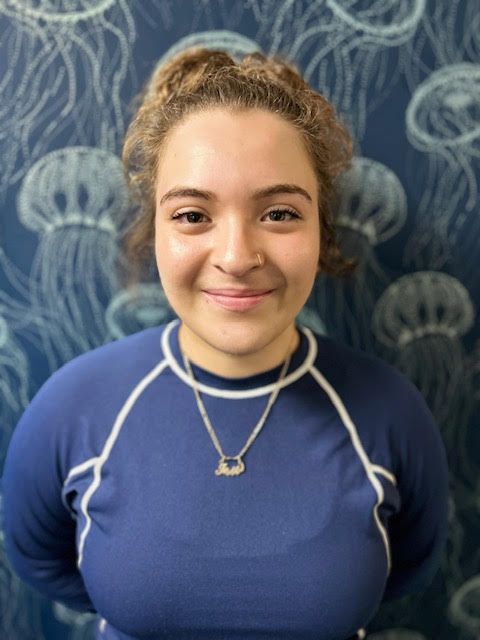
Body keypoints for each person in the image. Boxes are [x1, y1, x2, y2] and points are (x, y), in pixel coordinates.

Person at [2, 47, 449, 640]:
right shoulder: (71, 407)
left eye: (280, 212)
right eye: (192, 215)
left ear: (322, 230)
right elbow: (41, 560)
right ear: (153, 232)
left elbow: (410, 566)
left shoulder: (391, 411)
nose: (238, 258)